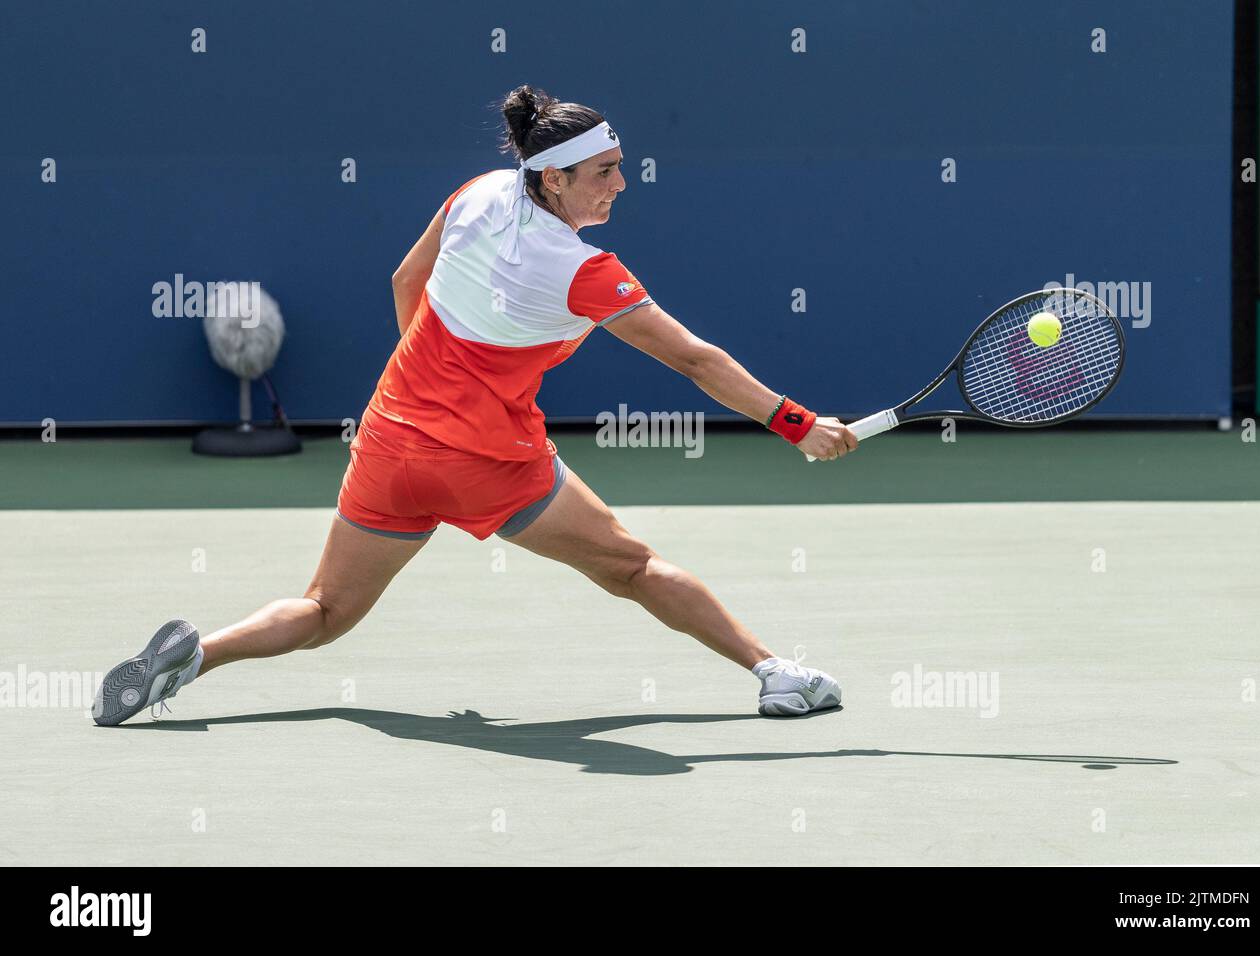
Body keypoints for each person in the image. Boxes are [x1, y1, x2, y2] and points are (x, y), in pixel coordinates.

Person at [92, 85, 859, 728]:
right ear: (554, 180)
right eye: (604, 171)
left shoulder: (477, 194)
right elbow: (695, 358)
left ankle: (196, 656)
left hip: (390, 444)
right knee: (632, 566)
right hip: (492, 462)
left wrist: (426, 391)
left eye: (619, 168)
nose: (620, 184)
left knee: (323, 611)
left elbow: (404, 282)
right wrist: (796, 424)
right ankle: (776, 673)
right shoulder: (588, 271)